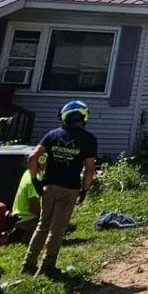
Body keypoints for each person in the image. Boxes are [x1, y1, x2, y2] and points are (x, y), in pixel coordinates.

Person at [22, 100, 97, 277]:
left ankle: (28, 264)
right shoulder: (89, 140)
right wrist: (84, 190)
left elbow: (33, 157)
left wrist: (35, 181)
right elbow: (90, 169)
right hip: (69, 188)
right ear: (84, 117)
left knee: (42, 224)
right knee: (57, 229)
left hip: (48, 186)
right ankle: (47, 267)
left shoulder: (52, 135)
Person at [10, 169, 41, 243]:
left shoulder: (29, 171)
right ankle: (23, 236)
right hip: (27, 219)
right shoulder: (37, 177)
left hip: (20, 217)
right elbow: (34, 208)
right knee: (55, 231)